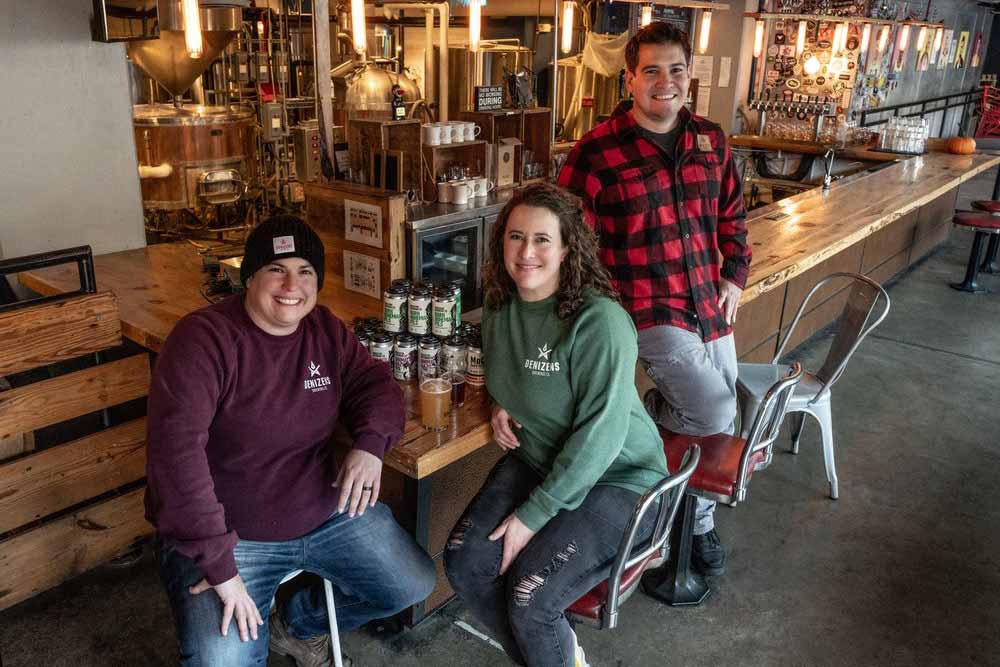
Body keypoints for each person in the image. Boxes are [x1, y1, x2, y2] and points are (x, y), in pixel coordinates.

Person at [145, 215, 436, 667]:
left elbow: (375, 385)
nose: (291, 284)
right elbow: (175, 458)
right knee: (219, 661)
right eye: (276, 269)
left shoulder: (323, 328)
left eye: (305, 272)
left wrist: (370, 444)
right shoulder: (203, 339)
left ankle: (296, 626)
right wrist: (219, 568)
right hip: (229, 535)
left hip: (325, 511)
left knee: (411, 584)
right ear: (250, 278)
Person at [443, 184, 669, 667]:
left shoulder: (599, 321)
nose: (527, 253)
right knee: (466, 563)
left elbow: (600, 438)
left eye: (543, 240)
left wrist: (531, 517)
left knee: (530, 597)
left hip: (620, 479)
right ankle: (560, 658)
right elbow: (517, 369)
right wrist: (501, 400)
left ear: (568, 248)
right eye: (516, 237)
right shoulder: (501, 308)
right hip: (541, 461)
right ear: (500, 241)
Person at [557, 21, 751, 577]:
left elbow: (732, 217)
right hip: (644, 309)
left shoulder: (712, 140)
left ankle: (698, 525)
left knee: (723, 414)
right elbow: (571, 244)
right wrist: (594, 318)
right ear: (630, 79)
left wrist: (734, 275)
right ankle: (652, 430)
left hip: (708, 304)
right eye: (651, 71)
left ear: (689, 75)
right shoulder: (595, 152)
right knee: (711, 408)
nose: (665, 82)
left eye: (676, 70)